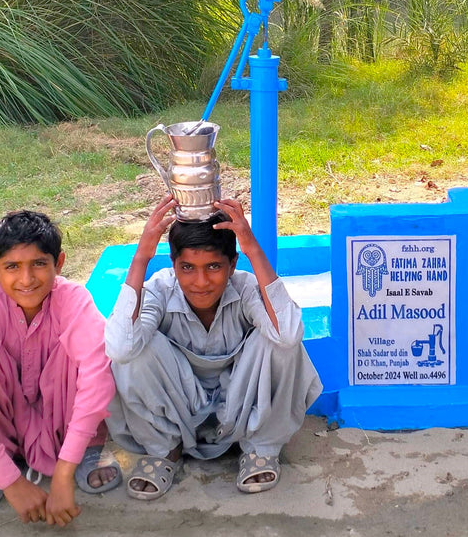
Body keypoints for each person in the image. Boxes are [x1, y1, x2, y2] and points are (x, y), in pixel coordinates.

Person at [105, 196, 322, 500]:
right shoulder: (160, 289)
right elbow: (119, 349)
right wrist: (141, 256)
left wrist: (252, 248)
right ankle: (164, 450)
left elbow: (287, 334)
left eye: (214, 266)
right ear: (173, 265)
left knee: (280, 342)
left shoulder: (245, 286)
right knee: (134, 348)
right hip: (180, 406)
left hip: (240, 407)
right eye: (188, 267)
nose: (201, 281)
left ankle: (261, 447)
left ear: (232, 265)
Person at [0, 211, 120, 526]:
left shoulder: (73, 300)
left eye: (38, 264)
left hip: (60, 412)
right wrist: (11, 481)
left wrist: (64, 471)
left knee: (93, 355)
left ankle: (87, 445)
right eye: (12, 267)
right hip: (5, 415)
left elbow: (97, 380)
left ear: (58, 263)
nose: (26, 279)